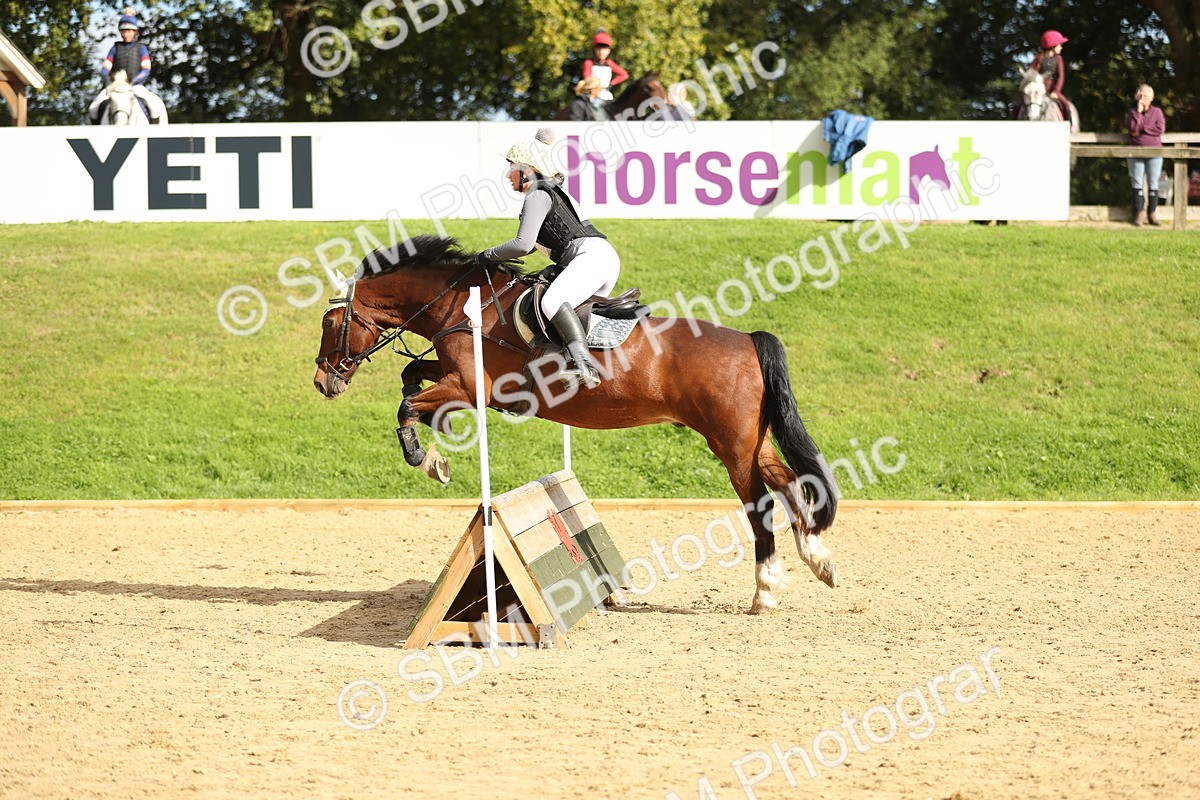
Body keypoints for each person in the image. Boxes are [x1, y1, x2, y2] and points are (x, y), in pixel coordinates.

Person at [477, 128, 620, 389]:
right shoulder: (550, 191)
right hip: (601, 258)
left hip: (590, 258)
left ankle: (582, 364)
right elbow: (535, 246)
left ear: (527, 170)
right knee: (568, 313)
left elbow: (523, 245)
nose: (508, 176)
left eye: (512, 169)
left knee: (553, 301)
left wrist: (487, 255)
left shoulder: (538, 194)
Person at [88, 9, 166, 124]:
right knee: (93, 109)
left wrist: (132, 81)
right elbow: (105, 69)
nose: (126, 34)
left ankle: (154, 135)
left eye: (129, 31)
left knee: (154, 107)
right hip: (116, 87)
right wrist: (111, 82)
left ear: (135, 32)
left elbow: (146, 70)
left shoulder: (141, 48)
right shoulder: (115, 49)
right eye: (124, 31)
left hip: (135, 86)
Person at [1125, 83, 1167, 226]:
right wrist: (1138, 113)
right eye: (1140, 95)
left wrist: (1142, 128)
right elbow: (1131, 129)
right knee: (1137, 182)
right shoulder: (1132, 113)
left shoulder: (1157, 112)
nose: (1142, 98)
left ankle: (1152, 214)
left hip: (1154, 151)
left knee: (1153, 183)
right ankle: (1138, 214)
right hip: (1136, 151)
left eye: (1145, 96)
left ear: (1151, 98)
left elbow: (1160, 129)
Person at [1031, 30, 1071, 120]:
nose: (1061, 47)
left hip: (1052, 89)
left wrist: (1056, 92)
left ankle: (1069, 127)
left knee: (1066, 104)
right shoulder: (1039, 58)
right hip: (1038, 89)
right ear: (1052, 46)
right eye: (1059, 45)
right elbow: (1030, 73)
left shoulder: (1058, 59)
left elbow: (1061, 76)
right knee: (1019, 104)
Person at [582, 30, 628, 103]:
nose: (601, 52)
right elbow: (587, 78)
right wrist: (595, 87)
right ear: (595, 50)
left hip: (605, 95)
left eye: (604, 49)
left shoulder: (609, 63)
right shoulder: (589, 63)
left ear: (609, 51)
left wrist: (611, 84)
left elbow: (624, 75)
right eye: (599, 49)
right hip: (592, 96)